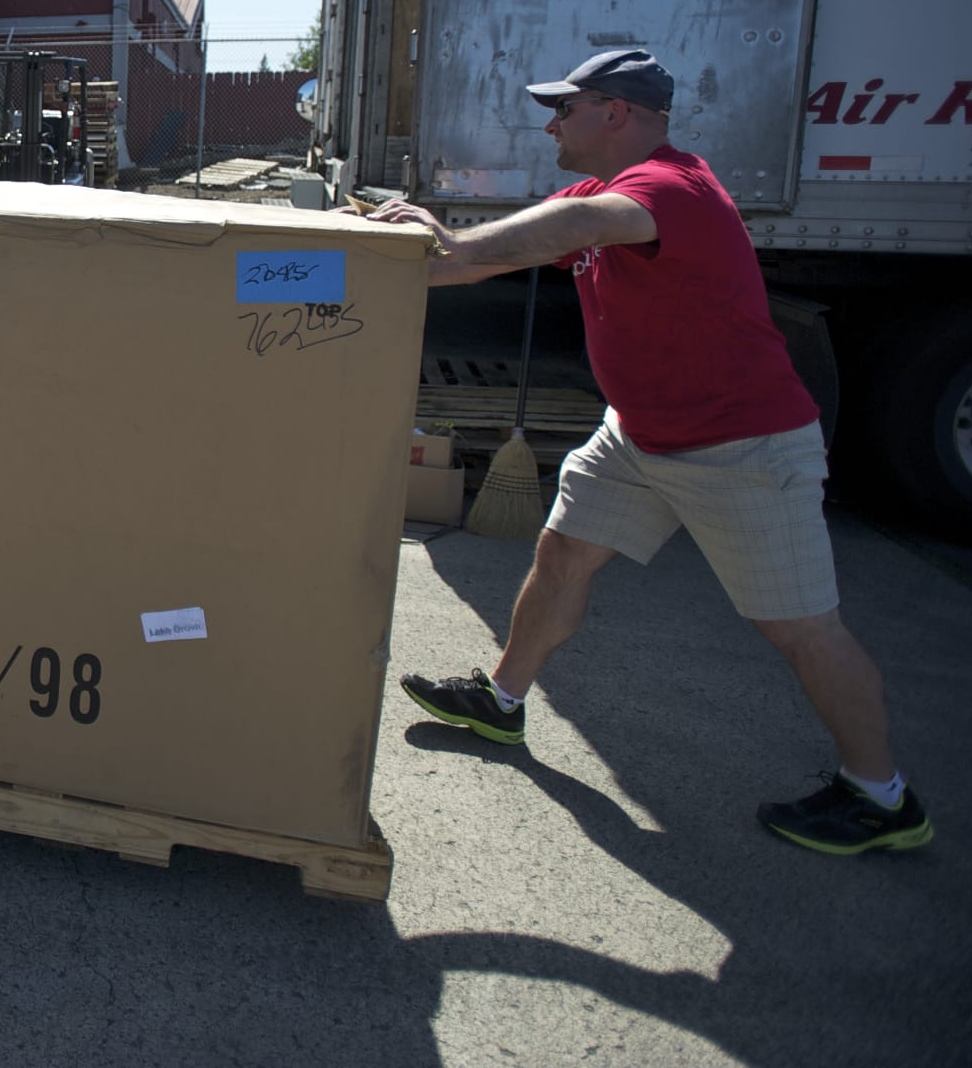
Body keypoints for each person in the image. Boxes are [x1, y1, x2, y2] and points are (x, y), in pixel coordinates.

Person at [375, 49, 931, 855]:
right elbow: (503, 253)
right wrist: (388, 258)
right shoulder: (597, 194)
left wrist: (452, 249)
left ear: (617, 113)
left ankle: (883, 798)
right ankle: (501, 701)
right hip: (641, 435)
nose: (550, 123)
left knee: (803, 629)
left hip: (745, 449)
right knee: (562, 554)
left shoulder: (672, 190)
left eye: (565, 108)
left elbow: (577, 230)